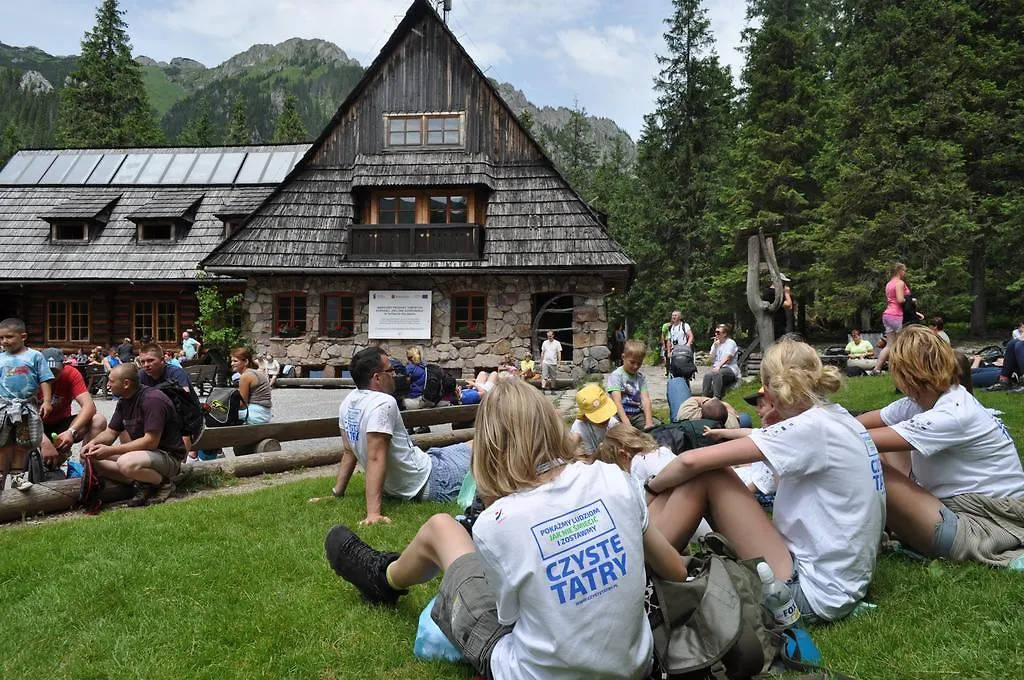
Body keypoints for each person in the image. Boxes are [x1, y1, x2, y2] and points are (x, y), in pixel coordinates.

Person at [324, 378, 686, 679]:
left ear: (490, 445)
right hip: (636, 666)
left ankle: (381, 576)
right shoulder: (615, 479)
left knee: (441, 527)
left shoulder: (498, 523)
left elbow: (507, 619)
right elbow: (675, 570)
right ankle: (382, 575)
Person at [645, 339, 886, 622]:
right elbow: (764, 439)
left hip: (808, 592)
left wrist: (650, 487)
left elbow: (690, 461)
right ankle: (643, 553)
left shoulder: (810, 428)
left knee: (708, 472)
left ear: (773, 389)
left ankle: (636, 567)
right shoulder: (838, 418)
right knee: (705, 471)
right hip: (840, 583)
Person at [858, 326, 1024, 568]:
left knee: (867, 463)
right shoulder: (923, 402)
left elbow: (852, 439)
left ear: (904, 374)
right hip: (966, 509)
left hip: (989, 523)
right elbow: (855, 426)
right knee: (878, 448)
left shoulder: (953, 413)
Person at [330, 347, 472, 525]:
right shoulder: (383, 403)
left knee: (473, 444)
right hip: (432, 480)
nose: (396, 375)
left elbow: (348, 451)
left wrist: (337, 492)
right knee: (487, 451)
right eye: (390, 370)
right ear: (377, 378)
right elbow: (375, 457)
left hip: (426, 462)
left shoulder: (348, 403)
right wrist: (373, 514)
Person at [81, 364, 184, 506]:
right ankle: (143, 481)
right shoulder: (124, 400)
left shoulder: (152, 400)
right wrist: (92, 444)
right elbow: (111, 432)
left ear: (126, 383)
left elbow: (151, 442)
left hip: (168, 457)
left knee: (126, 463)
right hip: (144, 455)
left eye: (111, 381)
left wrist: (110, 450)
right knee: (89, 458)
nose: (108, 385)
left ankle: (164, 483)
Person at [0, 318, 54, 491]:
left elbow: (45, 379)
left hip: (26, 408)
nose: (4, 341)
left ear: (23, 336)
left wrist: (46, 401)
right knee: (3, 443)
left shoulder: (35, 356)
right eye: (1, 338)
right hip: (3, 407)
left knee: (22, 443)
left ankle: (17, 477)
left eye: (9, 337)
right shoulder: (0, 358)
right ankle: (1, 476)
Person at [38, 347, 107, 467]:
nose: (51, 376)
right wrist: (43, 441)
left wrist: (71, 431)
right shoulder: (30, 376)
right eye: (47, 371)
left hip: (61, 424)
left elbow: (89, 406)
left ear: (64, 366)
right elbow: (24, 413)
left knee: (98, 420)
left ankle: (86, 464)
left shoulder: (71, 373)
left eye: (55, 372)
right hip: (34, 426)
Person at [607, 339, 654, 430]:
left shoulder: (640, 378)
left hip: (636, 414)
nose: (635, 366)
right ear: (623, 357)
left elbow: (645, 399)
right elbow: (617, 402)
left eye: (639, 363)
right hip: (619, 415)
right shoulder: (616, 376)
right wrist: (627, 424)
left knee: (655, 429)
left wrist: (649, 422)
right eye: (632, 362)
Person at [872, 262, 910, 374]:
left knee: (889, 344)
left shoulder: (888, 284)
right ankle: (901, 369)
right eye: (904, 271)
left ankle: (877, 369)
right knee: (902, 343)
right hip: (897, 315)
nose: (904, 273)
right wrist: (911, 300)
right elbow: (900, 300)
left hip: (887, 315)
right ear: (899, 271)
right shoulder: (899, 283)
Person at [570, 382, 620, 455]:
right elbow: (571, 451)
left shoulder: (612, 422)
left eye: (605, 413)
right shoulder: (579, 429)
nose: (604, 419)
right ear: (584, 417)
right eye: (599, 417)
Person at [229, 347, 273, 424]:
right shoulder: (253, 372)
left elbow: (243, 404)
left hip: (256, 414)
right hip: (264, 413)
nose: (232, 364)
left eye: (235, 361)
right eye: (231, 361)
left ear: (246, 362)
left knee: (221, 416)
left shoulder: (246, 376)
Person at [702, 323, 740, 398]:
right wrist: (715, 347)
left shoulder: (730, 343)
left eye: (718, 332)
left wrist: (718, 366)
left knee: (717, 373)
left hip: (730, 368)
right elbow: (710, 360)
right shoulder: (716, 344)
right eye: (715, 332)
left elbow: (728, 358)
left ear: (724, 334)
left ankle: (716, 397)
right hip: (718, 368)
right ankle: (704, 397)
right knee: (707, 375)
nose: (716, 334)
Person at [675, 395, 741, 429]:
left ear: (701, 412)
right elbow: (736, 417)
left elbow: (696, 399)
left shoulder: (686, 414)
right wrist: (725, 405)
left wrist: (725, 404)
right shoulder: (732, 427)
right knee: (745, 418)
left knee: (677, 382)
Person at [661, 310, 695, 377]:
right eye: (673, 315)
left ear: (679, 317)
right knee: (674, 370)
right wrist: (668, 352)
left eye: (675, 315)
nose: (673, 317)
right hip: (674, 351)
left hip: (683, 351)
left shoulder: (685, 325)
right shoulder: (670, 327)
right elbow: (669, 340)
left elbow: (691, 335)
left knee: (685, 371)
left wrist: (688, 345)